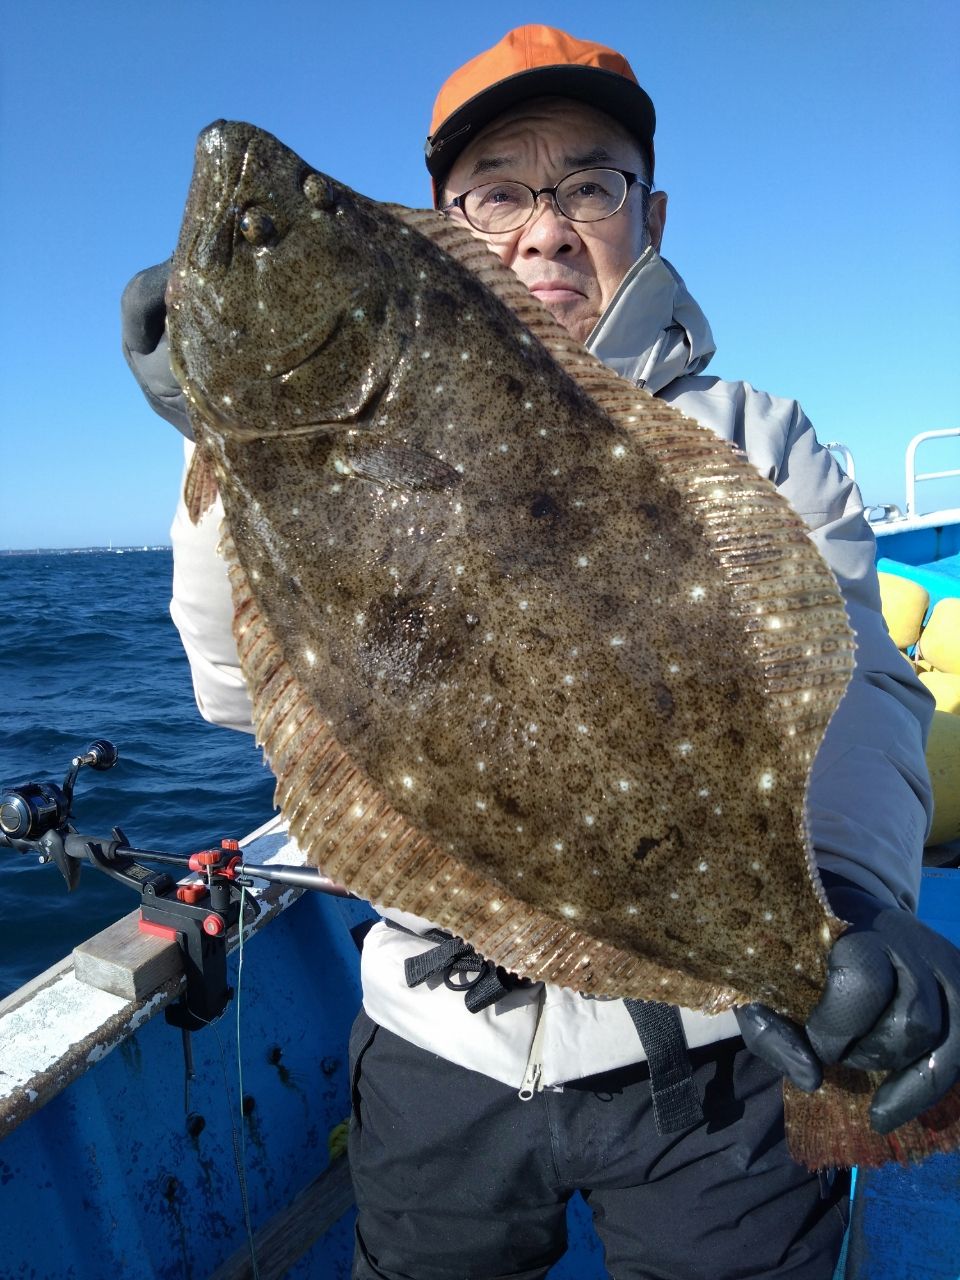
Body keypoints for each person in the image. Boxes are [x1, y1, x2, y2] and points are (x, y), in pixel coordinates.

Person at [122, 25, 960, 1280]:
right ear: (440, 221)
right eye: (500, 191)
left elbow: (856, 686)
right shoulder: (319, 430)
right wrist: (225, 436)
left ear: (648, 210)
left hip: (713, 1055)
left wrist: (851, 898)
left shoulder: (758, 440)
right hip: (435, 1049)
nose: (548, 226)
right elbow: (240, 691)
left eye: (588, 183)